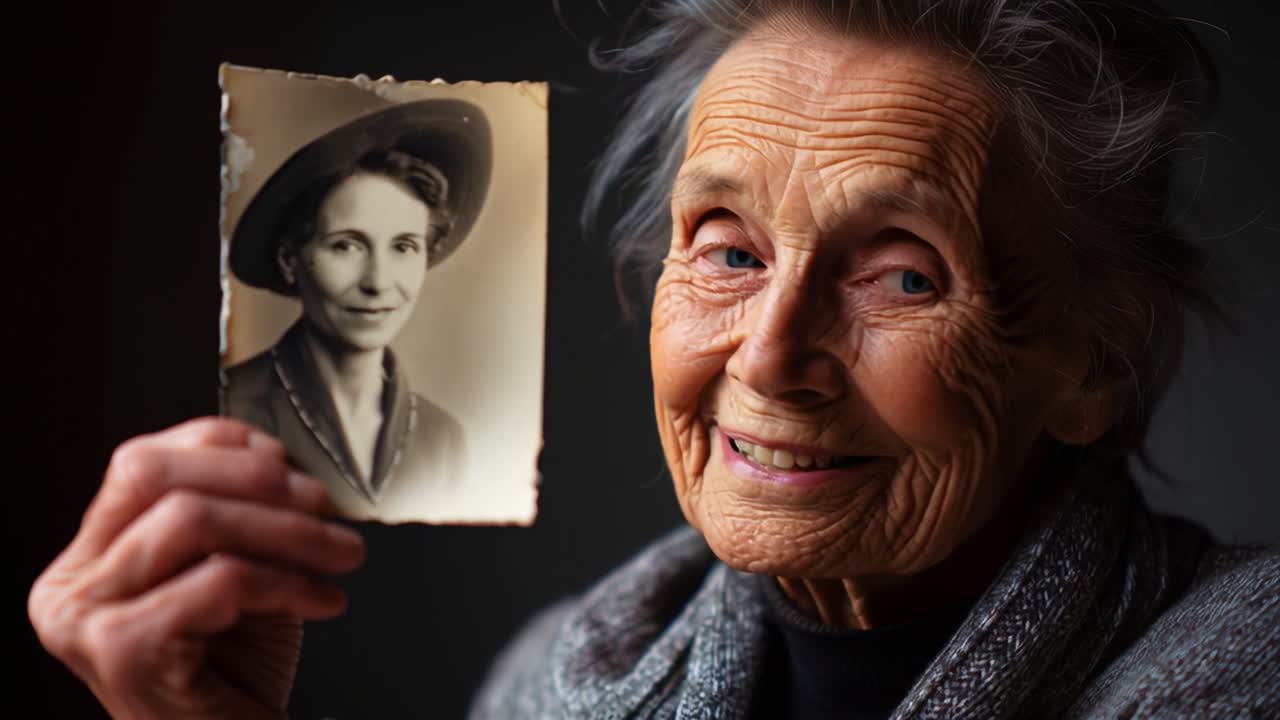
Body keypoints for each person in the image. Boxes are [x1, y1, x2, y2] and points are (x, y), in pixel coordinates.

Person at [28, 1, 1279, 718]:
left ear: (1092, 364)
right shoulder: (547, 681)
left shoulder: (1242, 673)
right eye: (726, 251)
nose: (770, 358)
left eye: (902, 275)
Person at [222, 98, 491, 513]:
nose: (378, 282)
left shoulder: (443, 440)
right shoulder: (229, 411)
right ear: (290, 260)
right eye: (346, 245)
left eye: (404, 246)